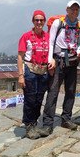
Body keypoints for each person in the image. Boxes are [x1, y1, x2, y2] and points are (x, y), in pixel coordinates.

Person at [39, 0, 80, 136]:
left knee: (70, 91)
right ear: (67, 9)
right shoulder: (59, 23)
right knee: (53, 91)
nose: (74, 11)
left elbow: (78, 43)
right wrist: (50, 59)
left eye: (76, 9)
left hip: (72, 60)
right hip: (58, 60)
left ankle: (66, 118)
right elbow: (51, 41)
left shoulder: (79, 25)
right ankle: (47, 124)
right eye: (72, 9)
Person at [17, 10, 49, 139]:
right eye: (37, 20)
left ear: (44, 22)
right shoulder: (26, 37)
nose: (39, 22)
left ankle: (34, 123)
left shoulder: (47, 36)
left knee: (39, 99)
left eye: (41, 20)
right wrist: (20, 75)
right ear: (33, 21)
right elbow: (20, 57)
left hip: (43, 71)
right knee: (30, 99)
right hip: (30, 71)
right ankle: (29, 125)